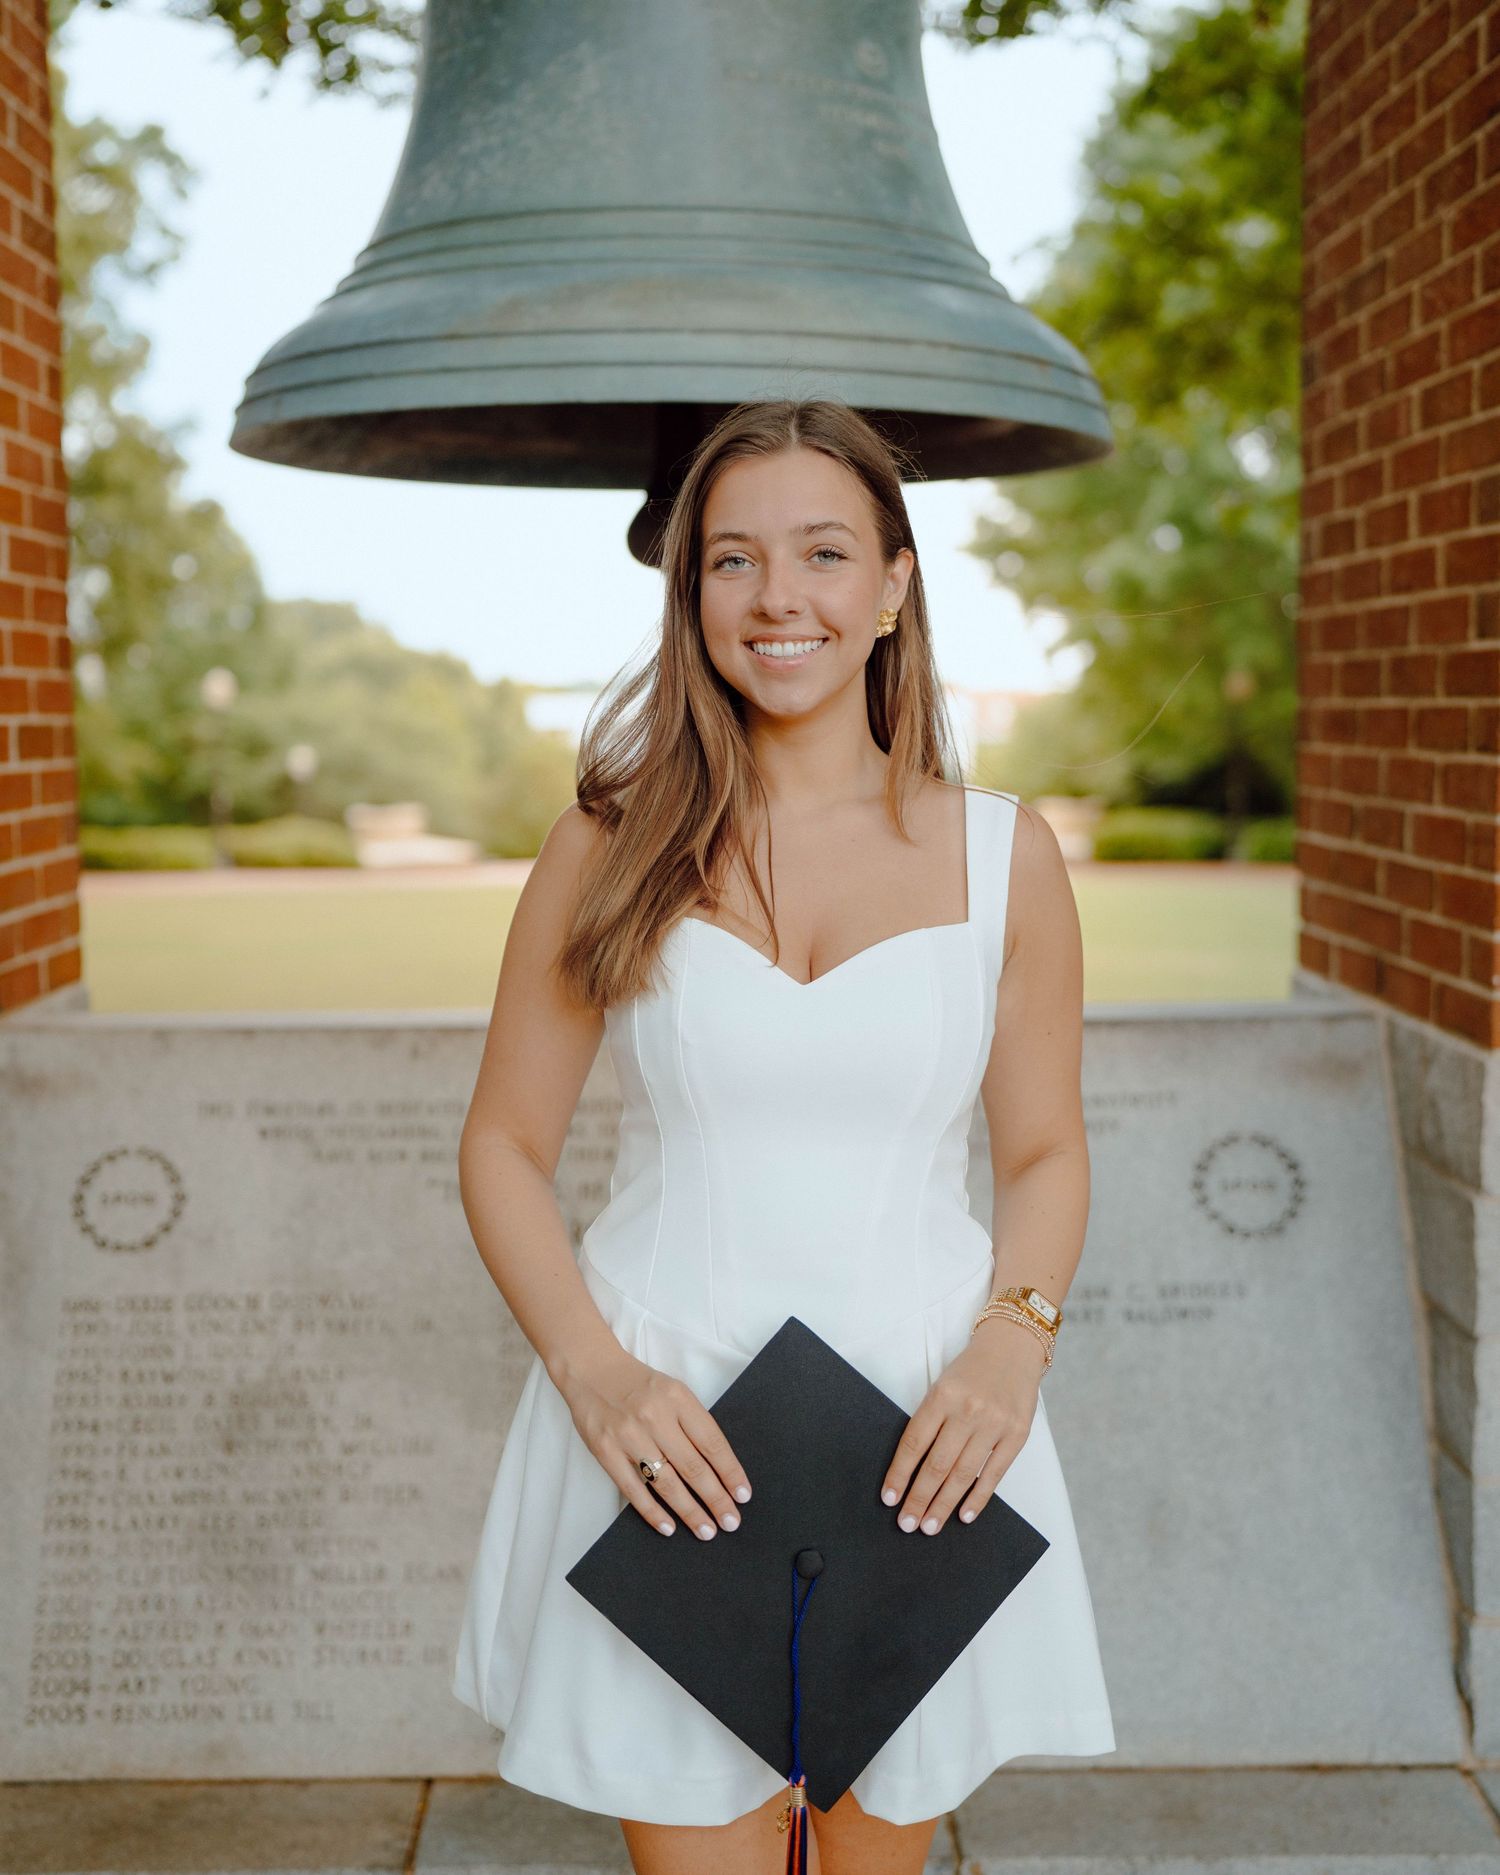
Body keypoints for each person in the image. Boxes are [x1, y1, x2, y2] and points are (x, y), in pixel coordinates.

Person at [451, 398, 1115, 1875]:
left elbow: (1045, 1153)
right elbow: (502, 1143)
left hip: (923, 1428)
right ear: (692, 596)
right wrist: (597, 1375)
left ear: (892, 586)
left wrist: (1014, 1342)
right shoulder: (610, 841)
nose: (778, 598)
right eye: (733, 560)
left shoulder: (1008, 856)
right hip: (664, 1421)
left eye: (823, 553)